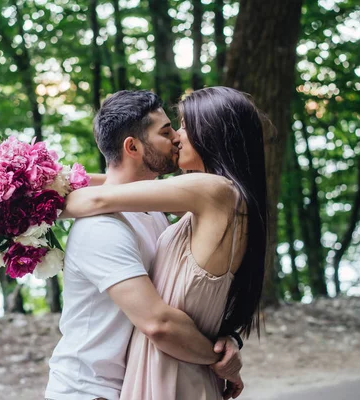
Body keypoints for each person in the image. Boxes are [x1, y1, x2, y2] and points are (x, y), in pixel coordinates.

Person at [63, 86, 268, 400]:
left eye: (184, 126)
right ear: (132, 146)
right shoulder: (219, 198)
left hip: (173, 370)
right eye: (172, 128)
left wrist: (29, 204)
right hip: (158, 370)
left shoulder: (211, 191)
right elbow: (120, 186)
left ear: (211, 134)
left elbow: (98, 198)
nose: (177, 137)